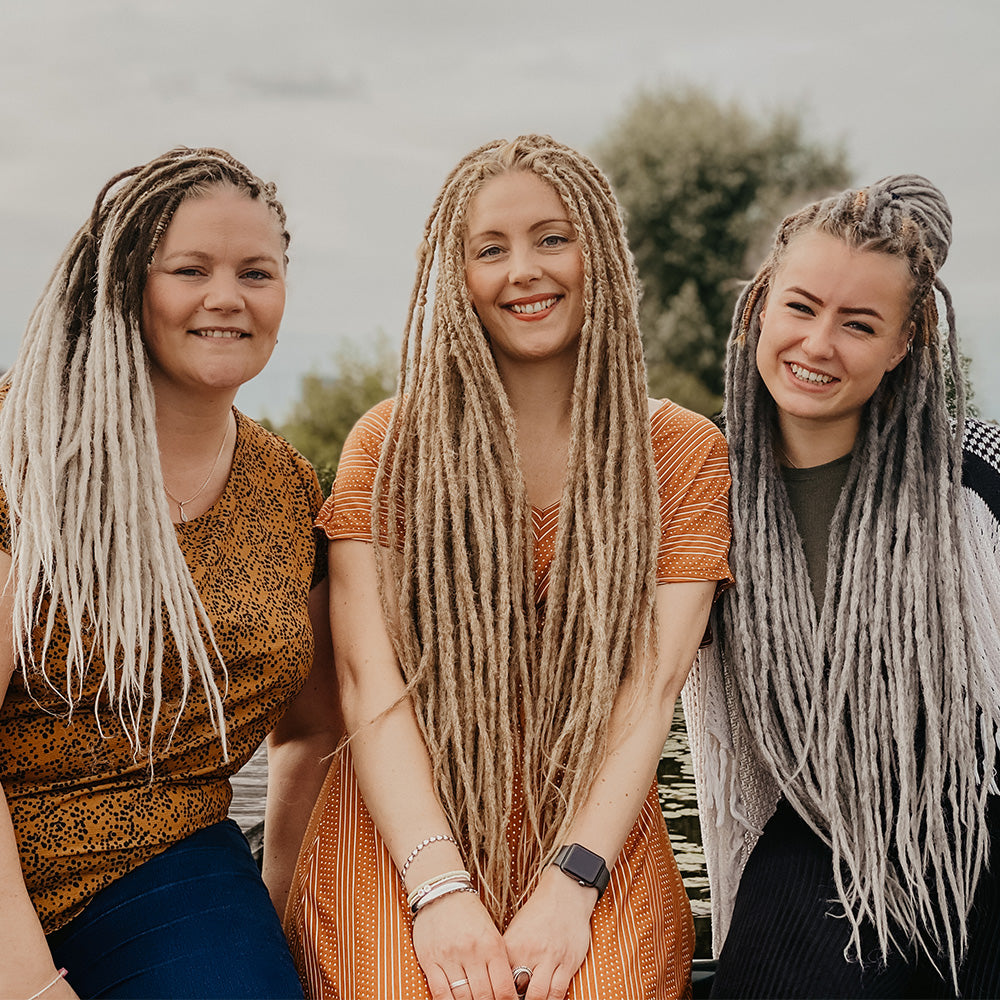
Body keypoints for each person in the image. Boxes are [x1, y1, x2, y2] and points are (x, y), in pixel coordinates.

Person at [282, 134, 733, 1000]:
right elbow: (366, 682)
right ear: (457, 278)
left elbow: (652, 684)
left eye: (551, 238)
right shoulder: (391, 447)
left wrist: (572, 882)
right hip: (407, 828)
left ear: (598, 251)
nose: (523, 270)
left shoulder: (678, 453)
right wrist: (439, 890)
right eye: (491, 249)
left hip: (589, 833)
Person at [0, 147, 340, 1000]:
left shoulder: (290, 490)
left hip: (163, 858)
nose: (227, 297)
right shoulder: (20, 455)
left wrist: (277, 920)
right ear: (123, 285)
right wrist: (30, 984)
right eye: (190, 268)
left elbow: (312, 730)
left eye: (255, 272)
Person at [684, 175, 1000, 997]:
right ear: (760, 306)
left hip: (983, 812)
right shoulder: (701, 490)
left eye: (859, 324)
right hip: (822, 821)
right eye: (801, 307)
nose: (818, 344)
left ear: (905, 343)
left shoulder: (978, 474)